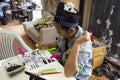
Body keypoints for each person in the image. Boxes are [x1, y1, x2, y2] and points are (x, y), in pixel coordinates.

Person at [38, 2, 93, 80]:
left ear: (70, 31)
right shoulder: (66, 31)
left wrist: (77, 44)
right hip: (62, 65)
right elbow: (59, 43)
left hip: (76, 77)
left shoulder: (84, 44)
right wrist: (48, 45)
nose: (57, 32)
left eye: (59, 31)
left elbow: (69, 73)